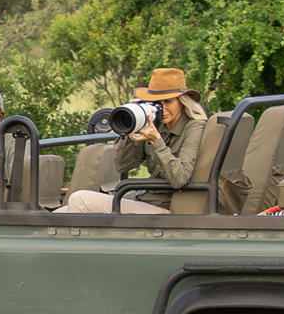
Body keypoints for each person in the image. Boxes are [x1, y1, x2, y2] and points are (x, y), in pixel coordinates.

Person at [60, 68, 209, 215]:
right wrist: (132, 124)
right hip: (144, 199)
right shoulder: (156, 124)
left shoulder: (194, 127)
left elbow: (180, 179)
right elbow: (123, 164)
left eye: (168, 102)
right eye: (156, 103)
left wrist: (156, 141)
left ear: (182, 102)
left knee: (79, 199)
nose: (162, 108)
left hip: (165, 206)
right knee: (59, 213)